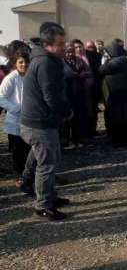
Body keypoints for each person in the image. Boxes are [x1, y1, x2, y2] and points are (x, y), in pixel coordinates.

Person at [20, 22, 73, 221]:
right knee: (47, 165)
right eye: (61, 43)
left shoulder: (45, 60)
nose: (65, 46)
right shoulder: (46, 63)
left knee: (44, 161)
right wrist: (66, 112)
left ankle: (49, 196)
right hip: (39, 123)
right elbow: (51, 95)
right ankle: (43, 205)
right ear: (49, 45)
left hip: (39, 122)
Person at [0, 44, 32, 193]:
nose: (24, 64)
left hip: (30, 119)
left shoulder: (30, 76)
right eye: (20, 62)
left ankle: (29, 177)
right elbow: (1, 98)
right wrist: (17, 108)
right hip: (16, 120)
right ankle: (21, 178)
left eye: (26, 62)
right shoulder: (10, 78)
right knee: (19, 151)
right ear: (15, 63)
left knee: (30, 150)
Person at [99, 41, 127, 147]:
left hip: (117, 94)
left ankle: (120, 140)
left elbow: (101, 70)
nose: (106, 54)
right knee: (122, 118)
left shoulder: (118, 61)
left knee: (118, 118)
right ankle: (123, 138)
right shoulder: (122, 59)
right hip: (120, 93)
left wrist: (103, 61)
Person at [63, 43, 91, 146]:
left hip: (79, 92)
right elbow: (64, 74)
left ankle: (77, 138)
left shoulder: (79, 61)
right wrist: (75, 75)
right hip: (66, 93)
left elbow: (89, 72)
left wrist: (82, 75)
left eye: (71, 51)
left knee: (78, 117)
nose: (70, 54)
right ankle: (65, 139)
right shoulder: (61, 62)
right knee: (66, 117)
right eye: (68, 52)